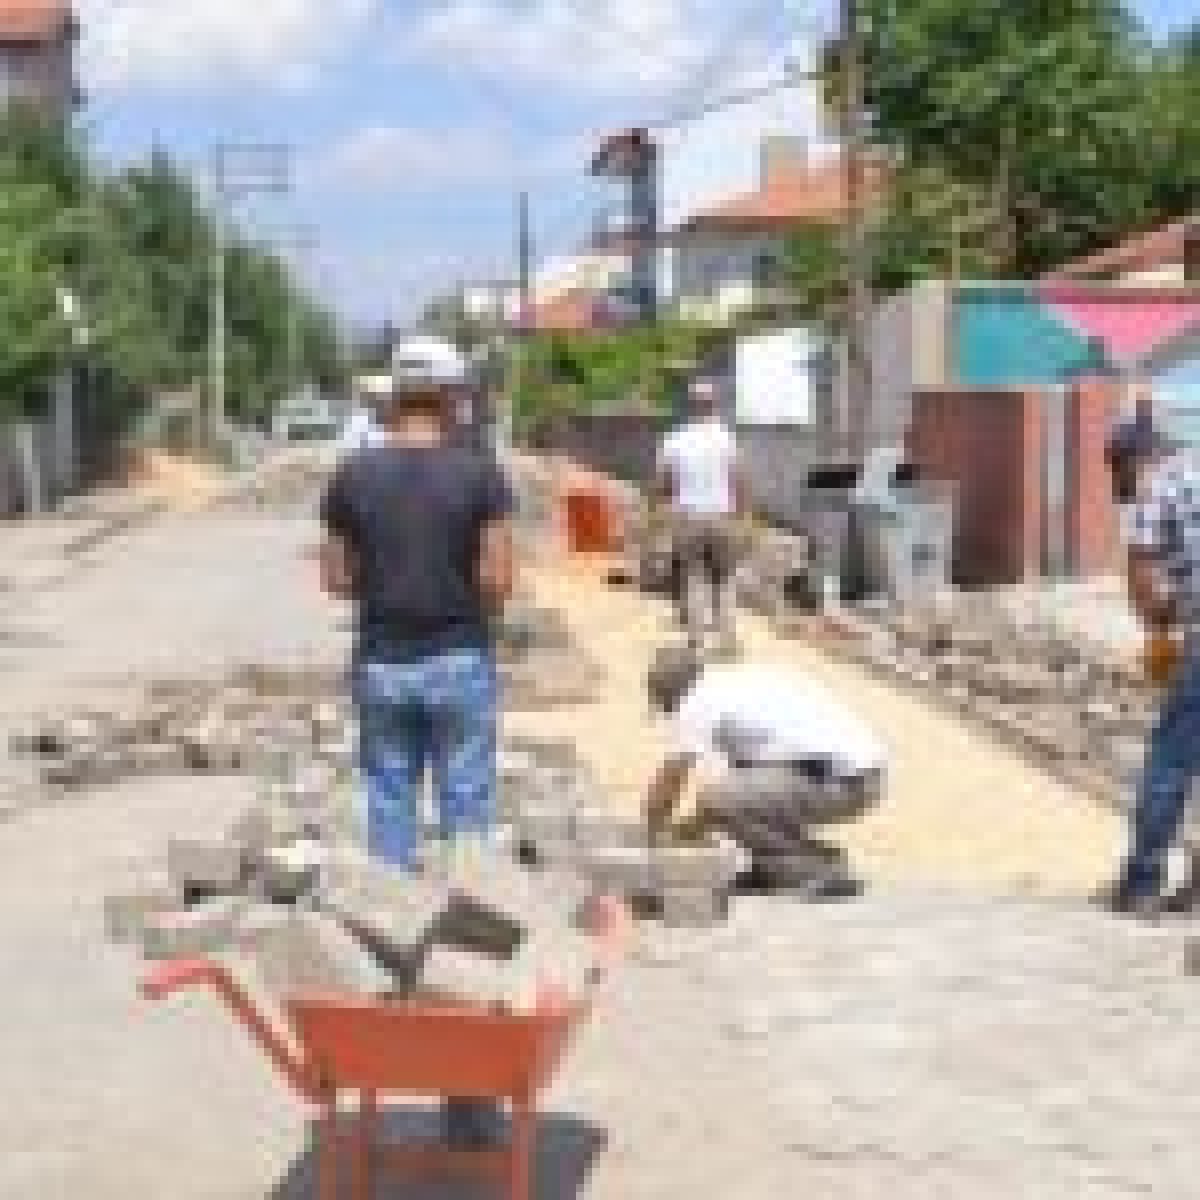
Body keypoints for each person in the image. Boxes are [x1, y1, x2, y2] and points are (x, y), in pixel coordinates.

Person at [318, 342, 517, 873]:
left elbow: (336, 580)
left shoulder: (352, 474)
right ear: (451, 396)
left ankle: (391, 912)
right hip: (459, 657)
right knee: (466, 803)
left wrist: (387, 581)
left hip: (382, 660)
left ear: (395, 397)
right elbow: (498, 581)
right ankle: (467, 912)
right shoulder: (480, 475)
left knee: (389, 797)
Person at [642, 643, 886, 899]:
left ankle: (815, 871)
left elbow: (672, 785)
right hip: (861, 776)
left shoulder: (696, 703)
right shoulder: (732, 682)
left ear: (670, 695)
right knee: (738, 791)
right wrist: (690, 830)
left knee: (724, 797)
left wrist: (651, 835)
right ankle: (776, 868)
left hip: (842, 781)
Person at [1094, 425, 1200, 916]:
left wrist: (1157, 628)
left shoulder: (1157, 485)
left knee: (1169, 762)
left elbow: (1140, 568)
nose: (1123, 489)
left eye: (1120, 475)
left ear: (1133, 462)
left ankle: (1141, 882)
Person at [654, 377, 748, 653]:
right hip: (721, 516)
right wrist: (744, 519)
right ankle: (727, 640)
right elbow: (737, 480)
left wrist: (659, 514)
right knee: (724, 579)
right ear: (714, 405)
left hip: (688, 516)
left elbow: (663, 483)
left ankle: (697, 641)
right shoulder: (727, 439)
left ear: (690, 406)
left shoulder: (675, 440)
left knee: (692, 577)